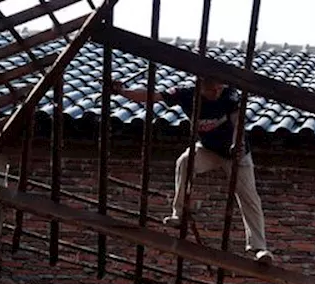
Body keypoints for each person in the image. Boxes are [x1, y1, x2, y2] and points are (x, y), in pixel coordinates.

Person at [111, 77, 272, 262]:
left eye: (220, 89)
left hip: (236, 153)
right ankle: (179, 214)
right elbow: (151, 96)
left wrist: (237, 144)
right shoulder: (185, 94)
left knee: (248, 196)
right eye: (213, 90)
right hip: (209, 149)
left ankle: (260, 248)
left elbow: (238, 123)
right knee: (185, 161)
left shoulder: (229, 94)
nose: (217, 93)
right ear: (201, 87)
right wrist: (122, 91)